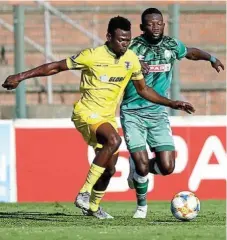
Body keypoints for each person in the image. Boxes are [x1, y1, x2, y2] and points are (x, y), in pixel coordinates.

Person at [2, 16, 195, 219]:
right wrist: (20, 77)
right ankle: (84, 193)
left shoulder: (130, 60)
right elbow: (56, 67)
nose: (124, 44)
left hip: (106, 117)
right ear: (109, 37)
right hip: (85, 112)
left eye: (128, 40)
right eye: (120, 39)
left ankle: (93, 207)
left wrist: (172, 103)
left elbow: (144, 90)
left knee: (109, 169)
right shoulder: (91, 55)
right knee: (114, 140)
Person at [119, 8, 224, 218]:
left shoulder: (171, 45)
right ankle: (141, 207)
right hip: (133, 112)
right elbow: (115, 62)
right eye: (150, 24)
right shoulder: (132, 48)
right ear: (142, 27)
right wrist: (131, 66)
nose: (155, 26)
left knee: (167, 167)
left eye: (159, 23)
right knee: (141, 164)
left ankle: (137, 166)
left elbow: (191, 52)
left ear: (163, 25)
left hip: (158, 113)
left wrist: (210, 58)